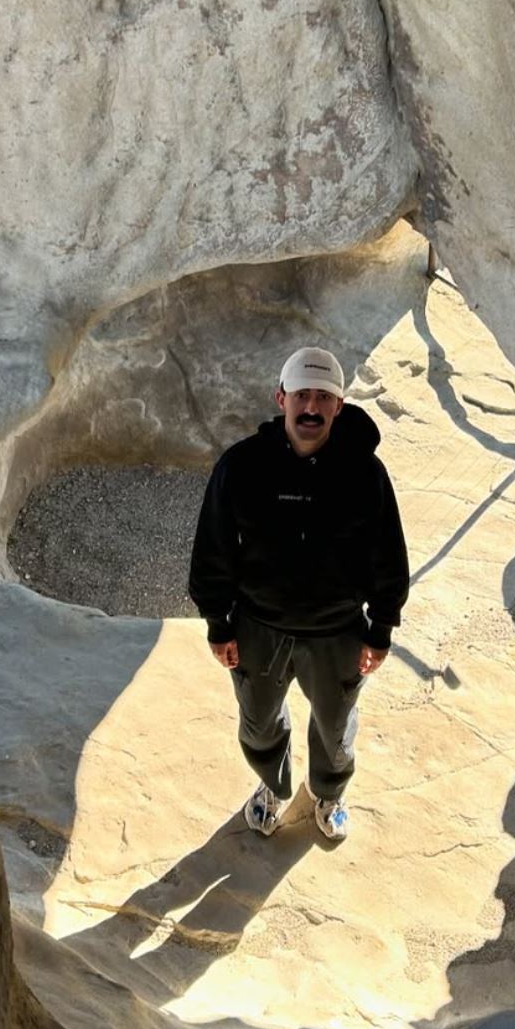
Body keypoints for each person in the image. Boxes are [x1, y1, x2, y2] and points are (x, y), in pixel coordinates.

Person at [188, 347, 409, 841]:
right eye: (302, 395)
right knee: (259, 722)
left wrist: (380, 629)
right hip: (258, 629)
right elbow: (213, 548)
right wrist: (218, 623)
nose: (311, 408)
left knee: (335, 727)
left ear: (339, 406)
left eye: (323, 397)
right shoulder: (242, 466)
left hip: (338, 633)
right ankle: (273, 784)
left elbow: (387, 556)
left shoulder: (365, 474)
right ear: (281, 397)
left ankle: (328, 791)